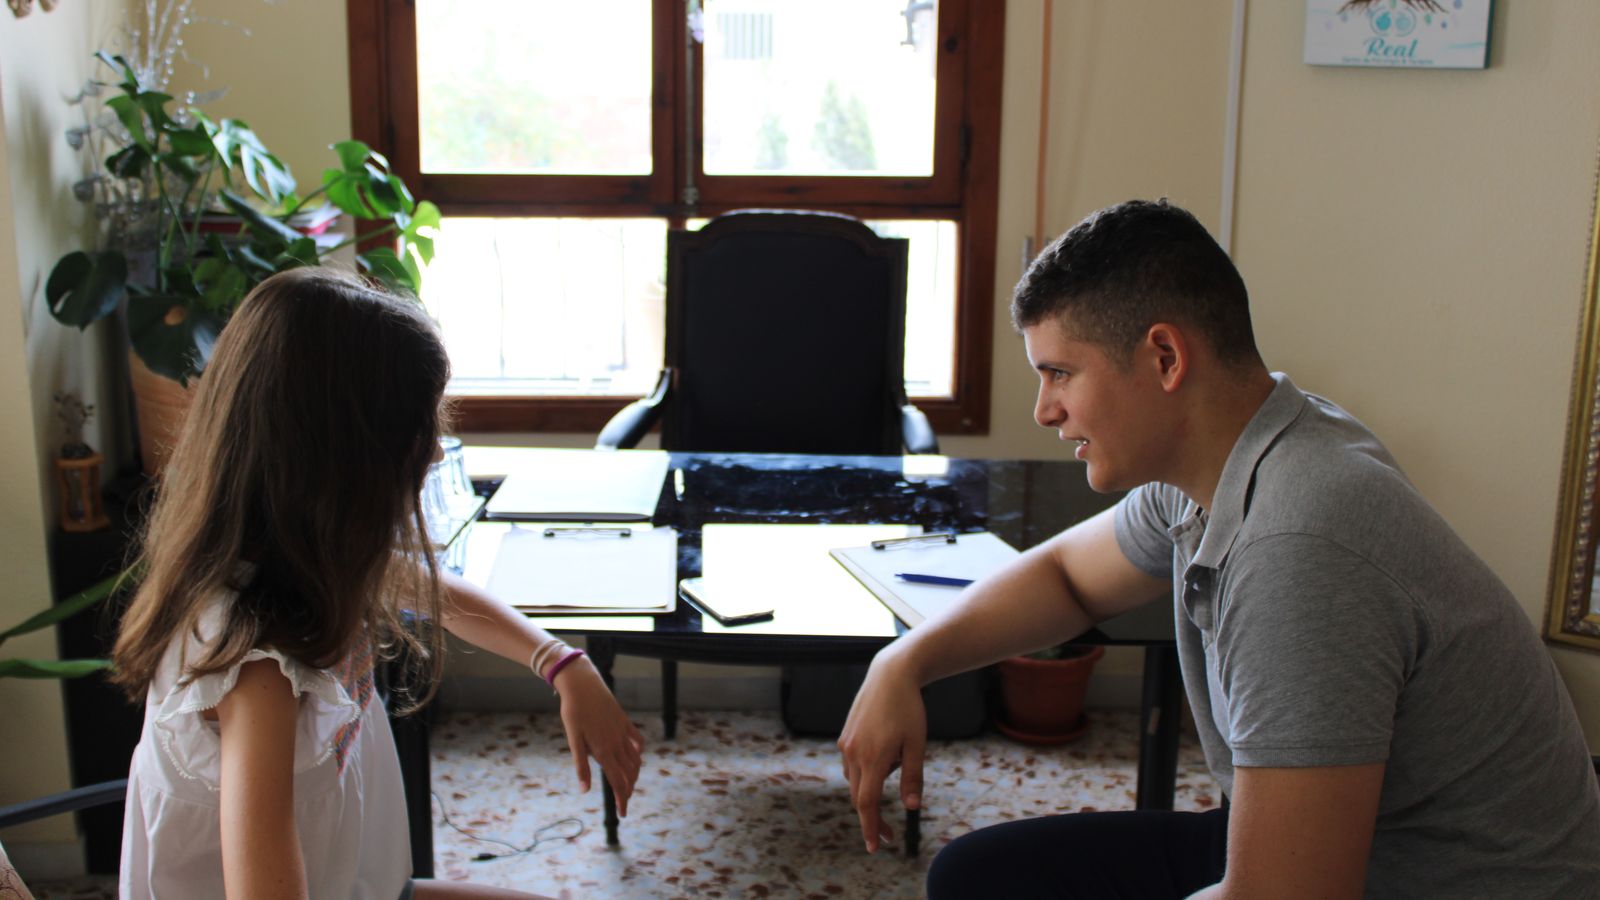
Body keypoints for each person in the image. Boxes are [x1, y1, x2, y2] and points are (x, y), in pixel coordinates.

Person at [837, 199, 1600, 898]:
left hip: (1430, 882)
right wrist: (904, 662)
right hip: (1344, 848)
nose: (1045, 410)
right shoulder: (1241, 452)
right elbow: (1068, 577)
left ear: (1165, 358)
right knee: (976, 877)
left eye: (1060, 373)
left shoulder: (1298, 547)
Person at [110, 268, 645, 900]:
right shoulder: (257, 673)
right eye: (419, 432)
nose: (435, 454)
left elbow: (436, 594)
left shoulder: (298, 557)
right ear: (345, 460)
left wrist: (562, 664)